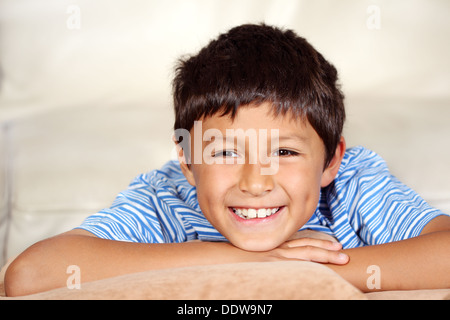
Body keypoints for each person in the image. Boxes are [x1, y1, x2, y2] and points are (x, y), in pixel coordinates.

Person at [5, 24, 450, 296]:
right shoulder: (167, 196)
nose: (255, 183)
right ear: (188, 161)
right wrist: (254, 264)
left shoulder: (352, 183)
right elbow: (31, 274)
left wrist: (303, 273)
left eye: (285, 151)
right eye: (223, 153)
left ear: (331, 161)